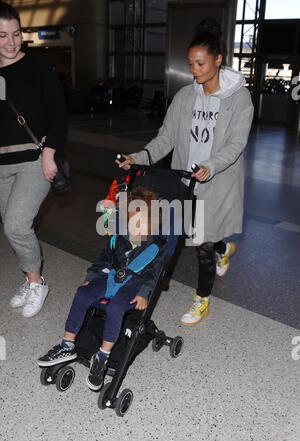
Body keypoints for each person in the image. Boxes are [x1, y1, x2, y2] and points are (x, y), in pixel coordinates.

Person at [116, 18, 254, 326]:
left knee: (201, 244)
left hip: (217, 182)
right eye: (190, 64)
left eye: (201, 63)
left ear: (218, 60)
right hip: (186, 181)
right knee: (194, 233)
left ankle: (202, 300)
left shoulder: (239, 99)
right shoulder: (185, 97)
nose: (194, 71)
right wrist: (136, 158)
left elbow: (236, 143)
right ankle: (223, 247)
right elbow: (165, 138)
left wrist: (211, 166)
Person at [38, 186, 167, 391]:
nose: (139, 228)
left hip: (134, 283)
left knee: (115, 308)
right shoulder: (118, 239)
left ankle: (102, 356)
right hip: (110, 275)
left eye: (145, 224)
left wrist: (144, 293)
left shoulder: (154, 248)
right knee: (83, 294)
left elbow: (153, 275)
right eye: (134, 222)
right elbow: (103, 259)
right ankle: (67, 345)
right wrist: (91, 277)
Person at [0, 2, 68, 317]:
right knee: (14, 227)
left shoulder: (38, 68)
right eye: (2, 35)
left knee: (15, 224)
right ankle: (30, 280)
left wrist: (51, 152)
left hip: (34, 160)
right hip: (2, 167)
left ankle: (37, 282)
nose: (11, 42)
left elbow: (59, 113)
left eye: (15, 34)